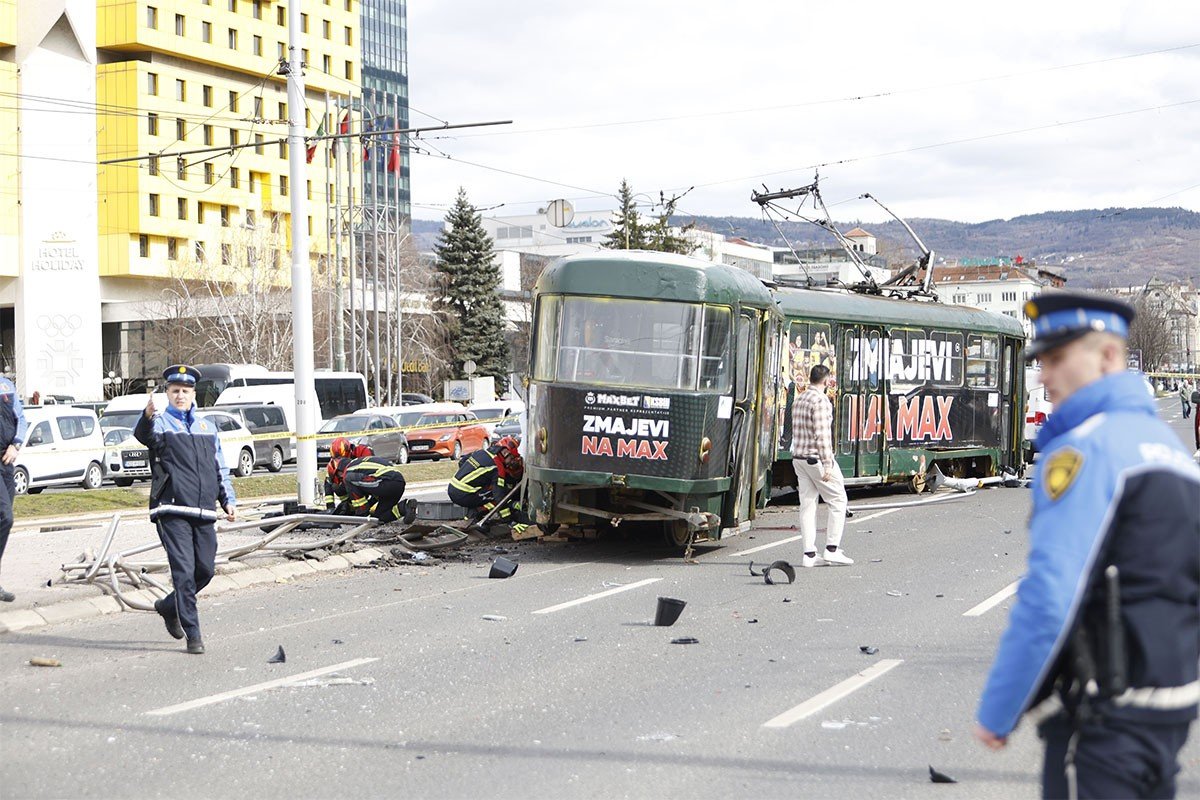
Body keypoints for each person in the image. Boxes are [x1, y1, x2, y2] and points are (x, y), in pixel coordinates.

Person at [975, 292, 1200, 799]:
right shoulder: (1171, 451)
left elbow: (1051, 597)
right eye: (1042, 362)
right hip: (1174, 703)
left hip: (1109, 709)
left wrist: (1000, 709)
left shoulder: (1084, 451)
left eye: (1058, 359)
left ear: (1107, 357)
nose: (1045, 376)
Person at [135, 365, 236, 655]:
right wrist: (146, 417)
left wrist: (227, 499)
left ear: (194, 394)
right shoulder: (160, 424)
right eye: (175, 391)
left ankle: (168, 606)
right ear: (167, 393)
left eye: (185, 391)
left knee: (205, 569)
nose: (180, 395)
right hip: (171, 509)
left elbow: (220, 468)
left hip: (204, 511)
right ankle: (194, 633)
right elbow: (144, 436)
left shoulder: (207, 427)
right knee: (184, 572)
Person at [790, 363, 851, 567]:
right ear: (826, 381)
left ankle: (809, 555)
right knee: (838, 500)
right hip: (816, 459)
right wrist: (827, 464)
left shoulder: (799, 399)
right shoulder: (821, 401)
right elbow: (823, 435)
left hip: (798, 459)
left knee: (807, 506)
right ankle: (832, 549)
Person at [447, 436, 529, 535]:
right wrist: (510, 521)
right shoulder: (497, 468)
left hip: (452, 488)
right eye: (512, 458)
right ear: (505, 453)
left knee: (490, 490)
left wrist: (478, 479)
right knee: (501, 492)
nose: (512, 462)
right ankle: (474, 515)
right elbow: (500, 497)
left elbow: (463, 461)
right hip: (464, 494)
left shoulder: (482, 452)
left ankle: (472, 514)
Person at [0, 373, 27, 603]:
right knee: (5, 517)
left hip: (6, 462)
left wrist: (16, 444)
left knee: (4, 521)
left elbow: (21, 419)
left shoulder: (7, 385)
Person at [330, 455, 415, 524]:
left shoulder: (349, 471)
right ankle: (403, 507)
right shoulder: (359, 464)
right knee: (378, 519)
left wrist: (361, 515)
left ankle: (362, 515)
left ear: (339, 471)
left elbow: (364, 486)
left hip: (387, 481)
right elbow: (372, 489)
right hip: (398, 483)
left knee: (348, 479)